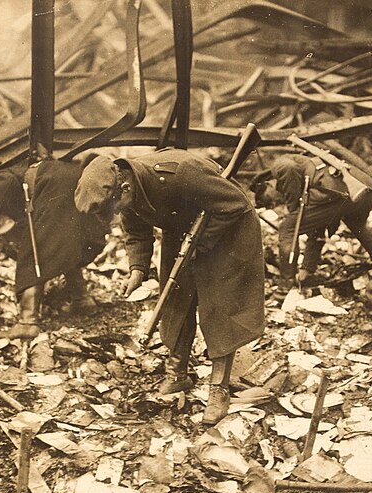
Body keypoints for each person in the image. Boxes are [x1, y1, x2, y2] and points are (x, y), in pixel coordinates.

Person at [74, 149, 265, 425]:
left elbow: (235, 204)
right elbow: (136, 228)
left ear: (124, 187)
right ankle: (178, 374)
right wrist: (137, 269)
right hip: (185, 229)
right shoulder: (127, 187)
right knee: (174, 299)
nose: (117, 214)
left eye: (116, 207)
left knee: (219, 307)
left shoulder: (179, 172)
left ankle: (219, 388)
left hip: (228, 227)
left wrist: (200, 242)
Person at [0, 157, 110, 339]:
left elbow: (3, 184)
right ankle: (83, 300)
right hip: (74, 183)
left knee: (34, 252)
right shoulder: (22, 172)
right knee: (62, 246)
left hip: (57, 188)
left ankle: (27, 322)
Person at [270, 154, 372, 284]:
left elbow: (288, 167)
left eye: (267, 198)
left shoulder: (280, 164)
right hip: (367, 188)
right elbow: (318, 223)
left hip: (341, 191)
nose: (274, 201)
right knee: (358, 225)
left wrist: (293, 210)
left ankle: (286, 283)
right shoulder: (308, 164)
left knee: (288, 229)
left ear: (268, 183)